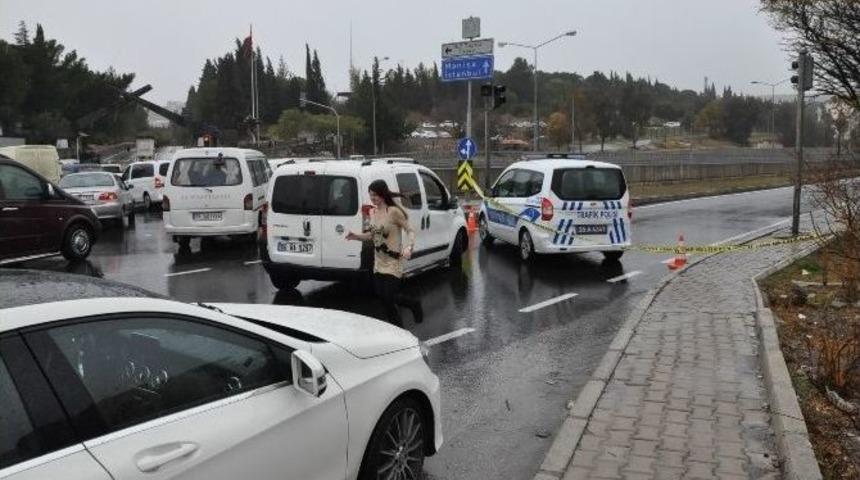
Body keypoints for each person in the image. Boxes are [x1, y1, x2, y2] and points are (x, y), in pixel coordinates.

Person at [346, 180, 423, 327]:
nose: (372, 198)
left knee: (389, 296)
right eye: (370, 195)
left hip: (394, 261)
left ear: (382, 194)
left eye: (375, 194)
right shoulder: (373, 212)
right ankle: (399, 331)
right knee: (383, 299)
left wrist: (409, 247)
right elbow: (372, 235)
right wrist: (356, 236)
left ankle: (414, 304)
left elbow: (410, 230)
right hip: (379, 261)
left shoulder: (393, 212)